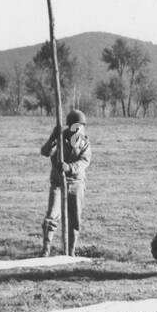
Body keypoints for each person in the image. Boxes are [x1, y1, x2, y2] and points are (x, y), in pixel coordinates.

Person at [39, 109, 92, 257]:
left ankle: (71, 251)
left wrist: (69, 168)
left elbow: (84, 162)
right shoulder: (60, 139)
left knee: (74, 219)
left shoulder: (84, 143)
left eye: (81, 126)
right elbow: (44, 152)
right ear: (70, 126)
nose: (79, 129)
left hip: (76, 184)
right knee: (52, 215)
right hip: (58, 183)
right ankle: (46, 248)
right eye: (76, 126)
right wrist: (52, 138)